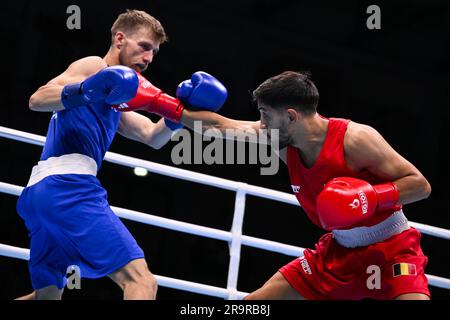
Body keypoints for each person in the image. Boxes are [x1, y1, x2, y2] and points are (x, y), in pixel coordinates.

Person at [16, 9, 227, 300]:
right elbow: (38, 99)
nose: (149, 58)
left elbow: (152, 136)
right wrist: (87, 89)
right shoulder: (95, 67)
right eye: (144, 47)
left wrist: (179, 113)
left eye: (153, 52)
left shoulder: (116, 100)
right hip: (68, 189)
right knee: (141, 283)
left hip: (41, 195)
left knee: (47, 297)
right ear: (119, 39)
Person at [178, 70, 432, 300]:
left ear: (291, 116)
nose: (262, 124)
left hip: (392, 251)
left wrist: (372, 197)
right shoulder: (282, 143)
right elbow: (220, 126)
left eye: (265, 114)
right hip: (337, 254)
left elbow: (420, 185)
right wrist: (159, 104)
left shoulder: (354, 139)